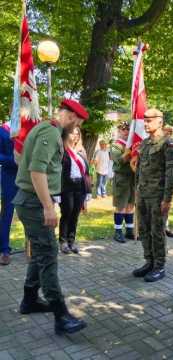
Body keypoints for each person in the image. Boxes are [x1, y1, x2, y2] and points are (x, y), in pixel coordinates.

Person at [13, 99, 88, 335]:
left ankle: (29, 300)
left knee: (40, 251)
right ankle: (61, 315)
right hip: (35, 203)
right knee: (48, 255)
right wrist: (47, 206)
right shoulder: (51, 132)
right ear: (72, 117)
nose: (76, 129)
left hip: (32, 201)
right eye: (77, 123)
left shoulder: (48, 129)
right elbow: (37, 170)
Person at [133, 108, 173, 282]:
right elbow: (139, 169)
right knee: (144, 230)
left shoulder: (169, 144)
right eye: (144, 120)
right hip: (143, 194)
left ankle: (159, 266)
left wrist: (167, 199)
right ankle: (149, 261)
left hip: (158, 196)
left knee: (156, 231)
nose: (146, 123)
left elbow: (172, 174)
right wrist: (137, 189)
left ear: (160, 122)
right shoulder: (144, 144)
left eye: (149, 120)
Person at [59, 127, 92, 254]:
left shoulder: (81, 151)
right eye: (73, 133)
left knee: (75, 215)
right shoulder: (63, 151)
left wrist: (88, 190)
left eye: (77, 133)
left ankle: (71, 242)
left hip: (80, 187)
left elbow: (86, 173)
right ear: (67, 135)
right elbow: (59, 172)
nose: (75, 135)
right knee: (66, 214)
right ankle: (63, 242)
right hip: (67, 186)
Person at [110, 121, 135, 243]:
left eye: (128, 129)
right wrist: (129, 152)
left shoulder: (133, 144)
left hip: (133, 177)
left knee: (131, 204)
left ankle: (129, 230)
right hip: (122, 177)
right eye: (123, 129)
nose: (126, 132)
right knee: (121, 205)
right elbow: (119, 160)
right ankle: (118, 231)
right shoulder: (116, 145)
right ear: (119, 131)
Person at [0, 121, 18, 265]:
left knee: (31, 213)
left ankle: (33, 248)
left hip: (30, 176)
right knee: (7, 214)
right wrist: (14, 160)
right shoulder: (3, 130)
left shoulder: (31, 127)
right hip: (9, 178)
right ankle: (4, 250)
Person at [162, 124, 173, 238]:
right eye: (167, 130)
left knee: (167, 204)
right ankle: (159, 228)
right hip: (159, 178)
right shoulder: (158, 142)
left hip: (169, 177)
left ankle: (165, 227)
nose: (169, 133)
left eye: (171, 131)